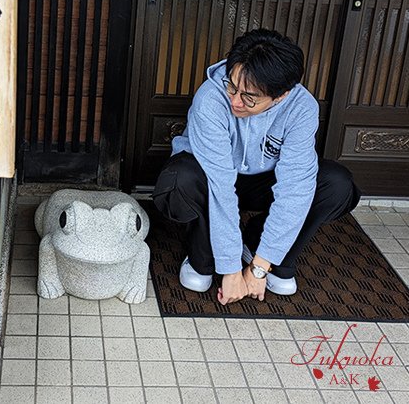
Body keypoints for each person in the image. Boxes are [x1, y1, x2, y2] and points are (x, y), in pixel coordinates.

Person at [152, 28, 360, 305]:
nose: (236, 101)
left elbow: (295, 187)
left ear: (281, 95)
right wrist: (230, 270)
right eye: (232, 87)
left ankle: (264, 248)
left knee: (336, 184)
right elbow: (220, 184)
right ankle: (204, 257)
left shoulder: (302, 107)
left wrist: (260, 267)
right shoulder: (211, 98)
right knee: (181, 179)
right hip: (211, 176)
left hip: (265, 181)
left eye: (249, 97)